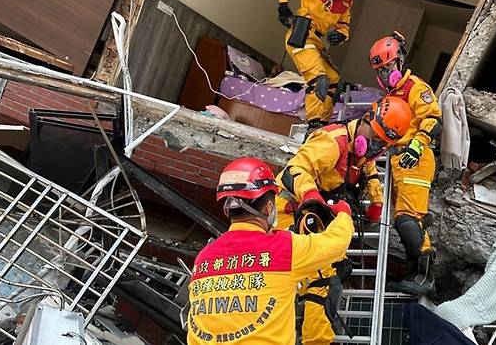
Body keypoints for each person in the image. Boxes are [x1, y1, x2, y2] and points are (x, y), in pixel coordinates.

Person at [275, 96, 411, 344]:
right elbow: (294, 170)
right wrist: (310, 194)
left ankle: (309, 327)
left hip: (319, 215)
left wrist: (376, 202)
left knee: (329, 274)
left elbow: (367, 170)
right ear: (367, 119)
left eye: (382, 144)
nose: (374, 147)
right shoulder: (332, 142)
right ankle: (312, 338)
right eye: (374, 138)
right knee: (320, 280)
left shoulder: (361, 149)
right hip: (294, 212)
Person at [186, 157, 354, 345]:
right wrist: (343, 214)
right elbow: (336, 243)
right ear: (269, 208)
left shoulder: (204, 258)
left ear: (227, 209)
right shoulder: (283, 249)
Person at [369, 31, 444, 296]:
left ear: (400, 61)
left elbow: (433, 119)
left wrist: (417, 143)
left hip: (416, 158)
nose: (386, 72)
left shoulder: (416, 88)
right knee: (406, 220)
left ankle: (425, 278)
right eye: (381, 69)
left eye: (389, 66)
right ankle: (415, 275)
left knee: (407, 220)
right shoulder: (389, 98)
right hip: (398, 162)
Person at [277, 0, 366, 132]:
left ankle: (322, 126)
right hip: (302, 31)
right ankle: (313, 123)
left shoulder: (346, 1)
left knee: (333, 82)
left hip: (317, 40)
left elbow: (344, 25)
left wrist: (340, 35)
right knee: (319, 79)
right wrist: (283, 5)